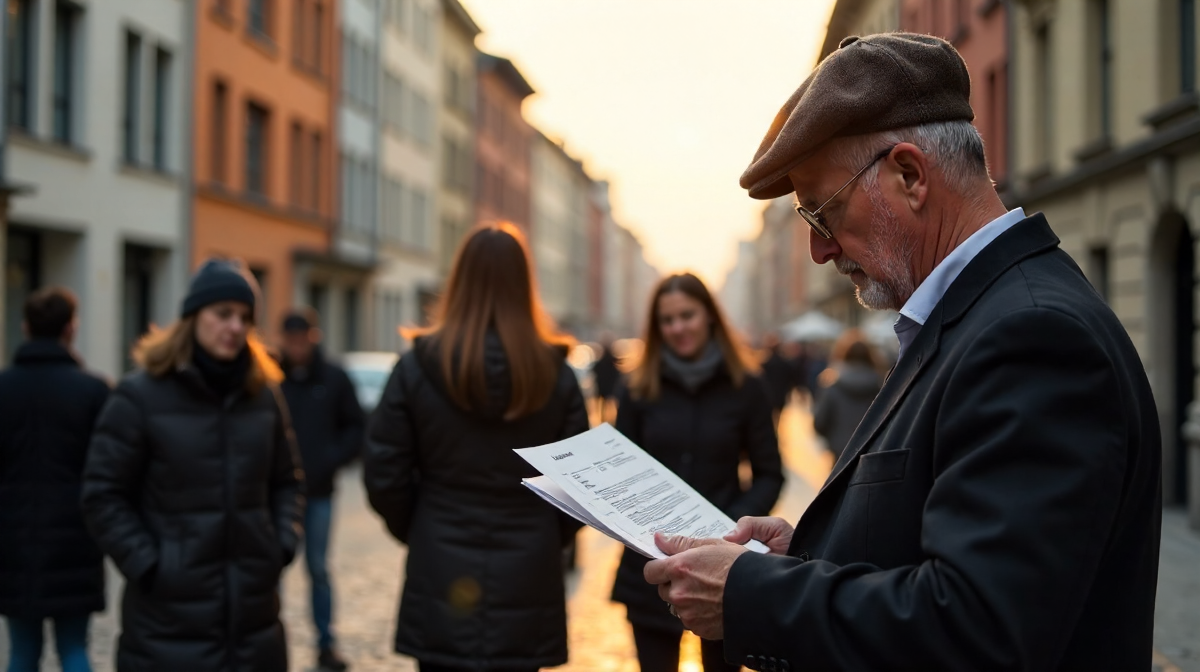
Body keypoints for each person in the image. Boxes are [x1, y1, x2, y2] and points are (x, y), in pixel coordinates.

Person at [642, 33, 1162, 671]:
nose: (820, 251)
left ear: (910, 175)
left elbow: (980, 630)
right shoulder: (979, 317)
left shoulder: (1030, 336)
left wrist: (752, 592)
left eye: (822, 214)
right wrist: (805, 556)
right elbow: (929, 544)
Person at [363, 222, 589, 672]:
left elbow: (383, 472)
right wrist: (543, 536)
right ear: (524, 284)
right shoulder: (555, 374)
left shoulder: (417, 368)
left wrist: (426, 526)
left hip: (441, 568)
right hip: (528, 573)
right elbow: (580, 487)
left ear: (458, 280)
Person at [82, 259, 304, 672]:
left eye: (244, 318)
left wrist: (280, 545)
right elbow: (102, 494)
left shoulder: (264, 395)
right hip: (167, 630)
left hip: (254, 628)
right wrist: (150, 564)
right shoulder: (140, 396)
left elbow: (287, 481)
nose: (235, 327)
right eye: (223, 314)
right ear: (192, 317)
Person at [612, 273, 783, 672]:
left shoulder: (747, 385)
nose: (677, 328)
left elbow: (769, 474)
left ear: (708, 315)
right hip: (648, 563)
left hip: (724, 563)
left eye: (686, 315)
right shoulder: (637, 388)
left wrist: (732, 529)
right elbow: (620, 472)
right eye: (666, 320)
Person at [0, 288, 110, 672]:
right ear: (71, 329)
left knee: (22, 652)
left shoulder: (4, 388)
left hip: (11, 541)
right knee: (75, 648)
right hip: (75, 538)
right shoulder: (92, 391)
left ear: (26, 328)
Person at [278, 308, 366, 672]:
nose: (297, 348)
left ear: (313, 336)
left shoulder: (333, 378)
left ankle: (326, 643)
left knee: (317, 567)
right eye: (291, 341)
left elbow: (356, 428)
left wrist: (331, 458)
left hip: (318, 492)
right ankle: (271, 642)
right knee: (272, 568)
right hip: (275, 493)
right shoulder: (271, 377)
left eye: (303, 340)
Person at [811, 329, 883, 460]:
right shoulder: (881, 385)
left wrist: (833, 438)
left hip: (840, 452)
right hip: (872, 452)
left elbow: (819, 422)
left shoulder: (832, 385)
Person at [758, 332, 796, 424]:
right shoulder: (785, 363)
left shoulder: (764, 363)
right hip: (780, 394)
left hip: (768, 395)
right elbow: (790, 379)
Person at [592, 331, 621, 422]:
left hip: (603, 386)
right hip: (609, 386)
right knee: (609, 405)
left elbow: (595, 371)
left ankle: (604, 419)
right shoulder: (612, 360)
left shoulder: (601, 360)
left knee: (604, 405)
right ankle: (609, 420)